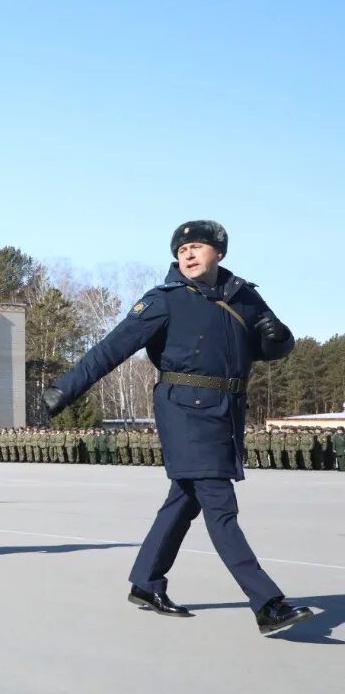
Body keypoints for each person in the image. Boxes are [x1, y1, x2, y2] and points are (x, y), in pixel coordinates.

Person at [43, 220, 312, 636]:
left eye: (197, 247)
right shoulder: (164, 301)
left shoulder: (245, 297)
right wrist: (63, 390)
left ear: (218, 252)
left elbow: (268, 347)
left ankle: (147, 583)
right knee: (220, 506)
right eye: (181, 249)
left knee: (184, 500)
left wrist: (280, 339)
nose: (187, 254)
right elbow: (111, 348)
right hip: (185, 410)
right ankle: (267, 603)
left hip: (227, 411)